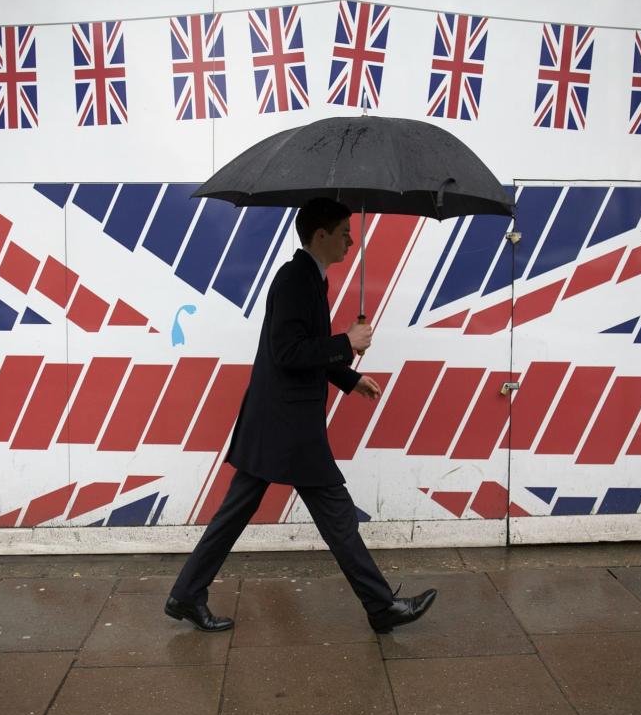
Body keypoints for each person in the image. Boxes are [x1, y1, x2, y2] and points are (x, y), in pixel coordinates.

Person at [165, 197, 438, 634]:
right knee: (337, 515)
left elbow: (305, 348)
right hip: (288, 427)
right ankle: (381, 605)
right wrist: (347, 342)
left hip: (277, 423)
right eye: (345, 230)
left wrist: (349, 379)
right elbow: (289, 352)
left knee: (237, 513)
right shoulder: (295, 279)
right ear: (321, 234)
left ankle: (185, 595)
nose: (352, 239)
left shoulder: (311, 278)